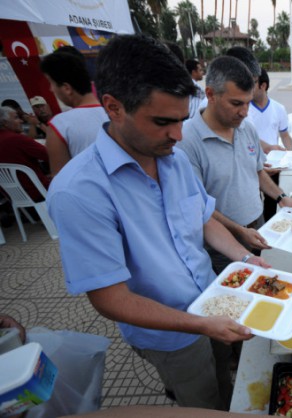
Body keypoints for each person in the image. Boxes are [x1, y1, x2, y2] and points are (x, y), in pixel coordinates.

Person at [47, 35, 270, 411]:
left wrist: (245, 260)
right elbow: (111, 299)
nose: (178, 135)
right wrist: (199, 324)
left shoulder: (174, 159)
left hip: (213, 299)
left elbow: (204, 221)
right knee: (201, 400)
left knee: (222, 374)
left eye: (182, 120)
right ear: (114, 107)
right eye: (163, 122)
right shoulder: (79, 192)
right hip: (170, 333)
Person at [178, 56, 292, 274]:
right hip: (222, 240)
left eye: (248, 103)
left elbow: (257, 171)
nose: (244, 112)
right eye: (236, 104)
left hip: (259, 224)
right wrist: (239, 230)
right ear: (210, 95)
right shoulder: (187, 141)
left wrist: (282, 198)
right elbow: (198, 205)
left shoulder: (246, 128)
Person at [40, 49, 108, 175]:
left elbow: (60, 179)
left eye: (51, 83)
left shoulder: (59, 125)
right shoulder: (117, 113)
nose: (51, 89)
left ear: (66, 88)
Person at [245, 68, 292, 220]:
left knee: (272, 201)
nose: (247, 87)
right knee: (251, 202)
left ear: (263, 86)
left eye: (252, 83)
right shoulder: (244, 109)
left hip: (272, 165)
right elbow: (244, 138)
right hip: (250, 164)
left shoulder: (278, 108)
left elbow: (285, 135)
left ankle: (269, 228)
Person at [0, 106, 50, 201]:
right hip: (39, 192)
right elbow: (51, 155)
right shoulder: (16, 139)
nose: (21, 121)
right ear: (5, 123)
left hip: (15, 197)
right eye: (16, 118)